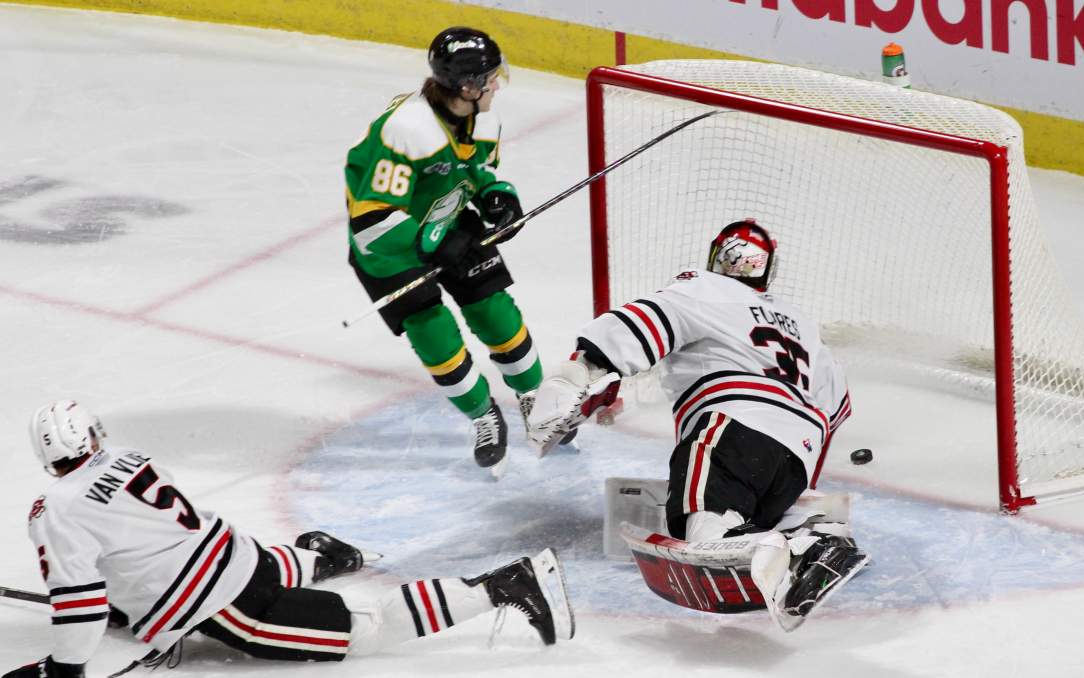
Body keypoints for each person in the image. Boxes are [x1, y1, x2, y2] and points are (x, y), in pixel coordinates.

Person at [5, 401, 574, 678]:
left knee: (364, 631)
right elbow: (143, 541)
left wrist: (65, 668)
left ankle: (503, 586)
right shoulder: (130, 458)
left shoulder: (55, 505)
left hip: (223, 603)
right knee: (251, 567)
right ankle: (318, 555)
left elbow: (78, 597)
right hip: (235, 552)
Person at [525, 219, 865, 630]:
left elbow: (646, 321)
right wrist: (800, 486)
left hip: (735, 427)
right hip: (798, 457)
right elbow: (837, 408)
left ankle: (803, 547)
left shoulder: (702, 287)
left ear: (715, 256)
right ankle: (796, 524)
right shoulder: (802, 324)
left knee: (706, 530)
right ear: (767, 270)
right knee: (739, 520)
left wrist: (575, 373)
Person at [343, 26, 567, 477]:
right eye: (489, 77)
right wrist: (438, 243)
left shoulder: (484, 117)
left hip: (447, 220)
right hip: (391, 249)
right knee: (435, 336)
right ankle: (484, 414)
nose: (497, 85)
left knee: (495, 314)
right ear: (467, 87)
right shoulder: (406, 130)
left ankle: (536, 403)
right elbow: (371, 222)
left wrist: (496, 195)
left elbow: (476, 168)